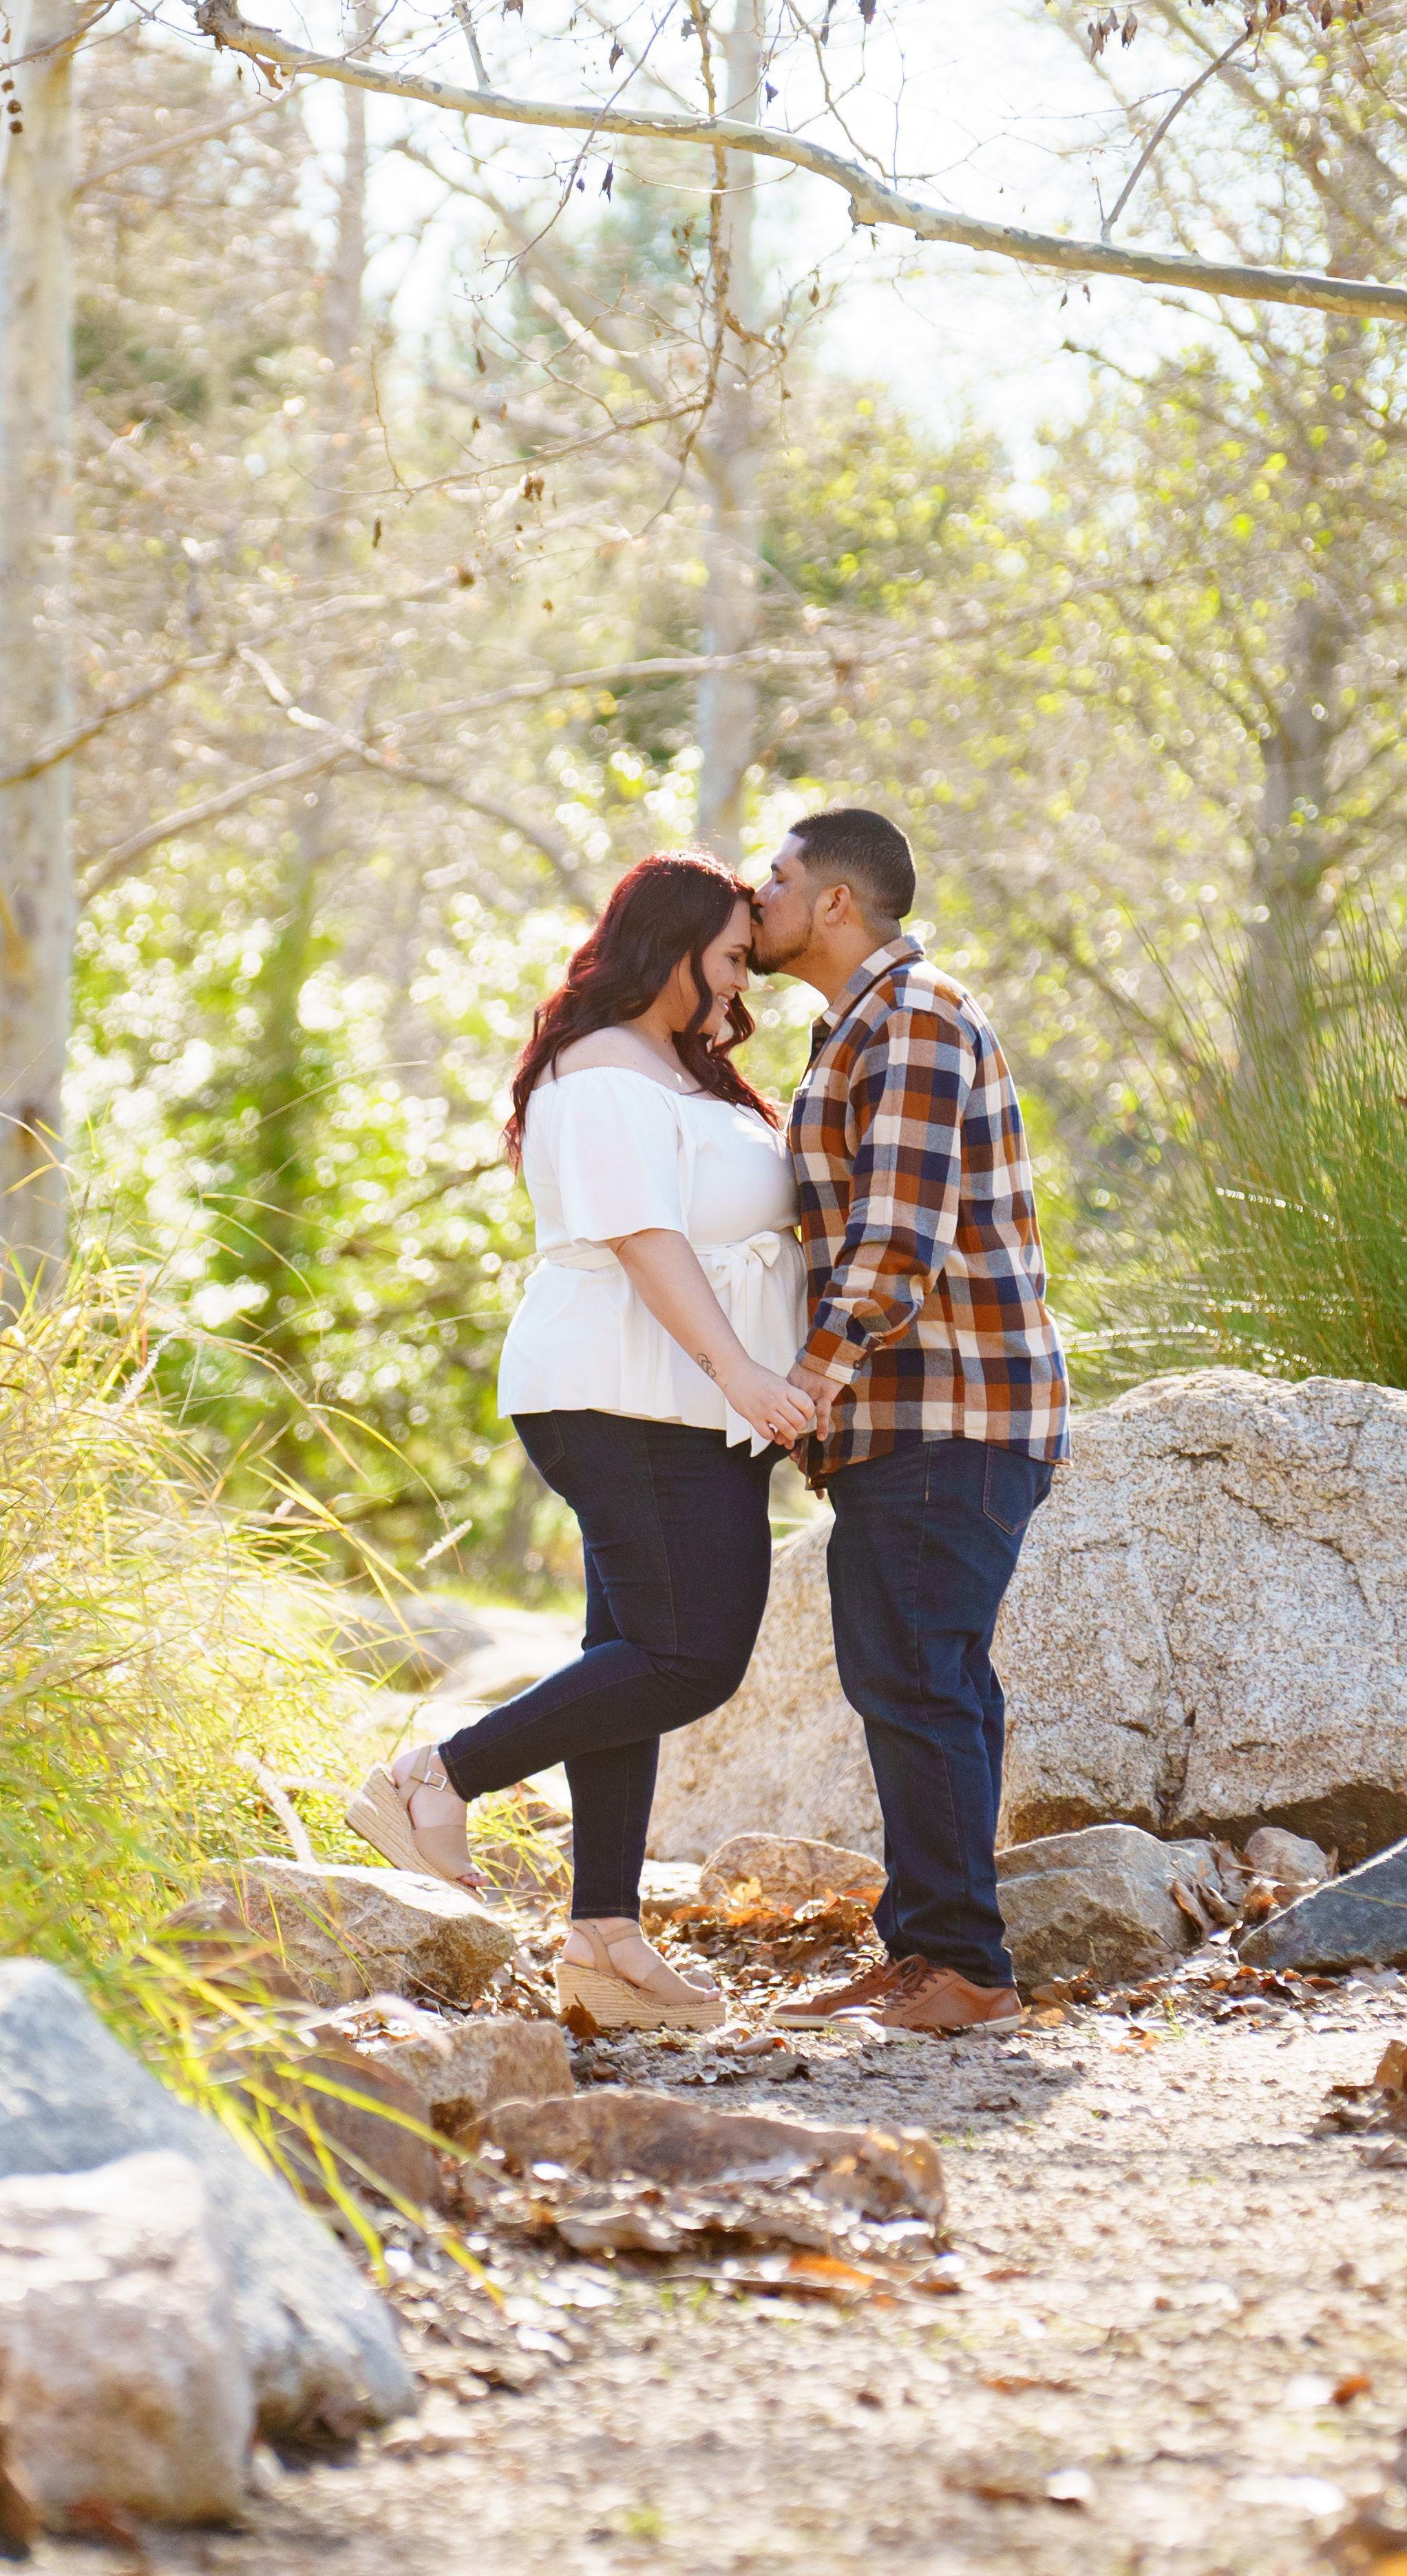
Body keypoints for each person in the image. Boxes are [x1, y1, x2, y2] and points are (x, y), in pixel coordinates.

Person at [345, 853, 816, 2032]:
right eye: (728, 959)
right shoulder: (601, 1071)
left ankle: (605, 1940)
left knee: (632, 1658)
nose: (738, 983)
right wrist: (744, 1371)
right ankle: (433, 1777)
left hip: (682, 1406)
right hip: (621, 1395)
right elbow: (646, 1239)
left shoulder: (677, 1069)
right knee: (690, 1659)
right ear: (670, 947)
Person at [739, 806, 1072, 2033]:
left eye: (775, 879)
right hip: (911, 1418)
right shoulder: (856, 1028)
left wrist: (804, 1386)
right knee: (928, 1679)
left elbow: (894, 1247)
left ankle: (966, 1970)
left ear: (835, 901)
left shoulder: (915, 1017)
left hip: (952, 1410)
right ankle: (934, 1947)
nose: (756, 897)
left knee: (918, 1677)